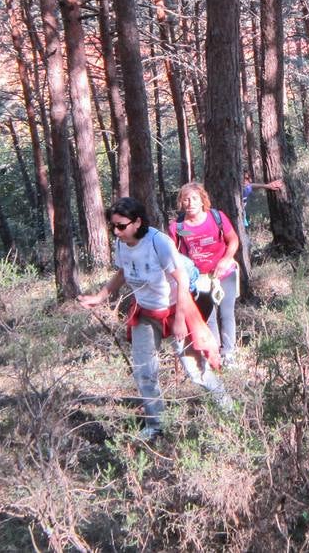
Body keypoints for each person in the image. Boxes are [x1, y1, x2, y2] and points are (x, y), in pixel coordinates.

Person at [78, 197, 228, 440]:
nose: (116, 232)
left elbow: (180, 280)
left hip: (175, 309)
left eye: (121, 226)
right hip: (146, 313)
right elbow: (123, 272)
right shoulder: (121, 244)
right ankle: (156, 424)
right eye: (113, 227)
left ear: (137, 222)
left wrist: (179, 319)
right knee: (144, 370)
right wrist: (100, 296)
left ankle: (226, 406)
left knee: (195, 369)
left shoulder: (159, 242)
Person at [169, 182, 242, 366]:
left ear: (203, 200)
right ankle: (214, 353)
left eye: (194, 198)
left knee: (226, 313)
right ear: (181, 202)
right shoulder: (177, 227)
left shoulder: (216, 217)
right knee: (207, 316)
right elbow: (171, 253)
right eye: (186, 199)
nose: (190, 203)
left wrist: (226, 260)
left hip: (224, 273)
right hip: (198, 279)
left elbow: (233, 240)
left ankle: (229, 355)